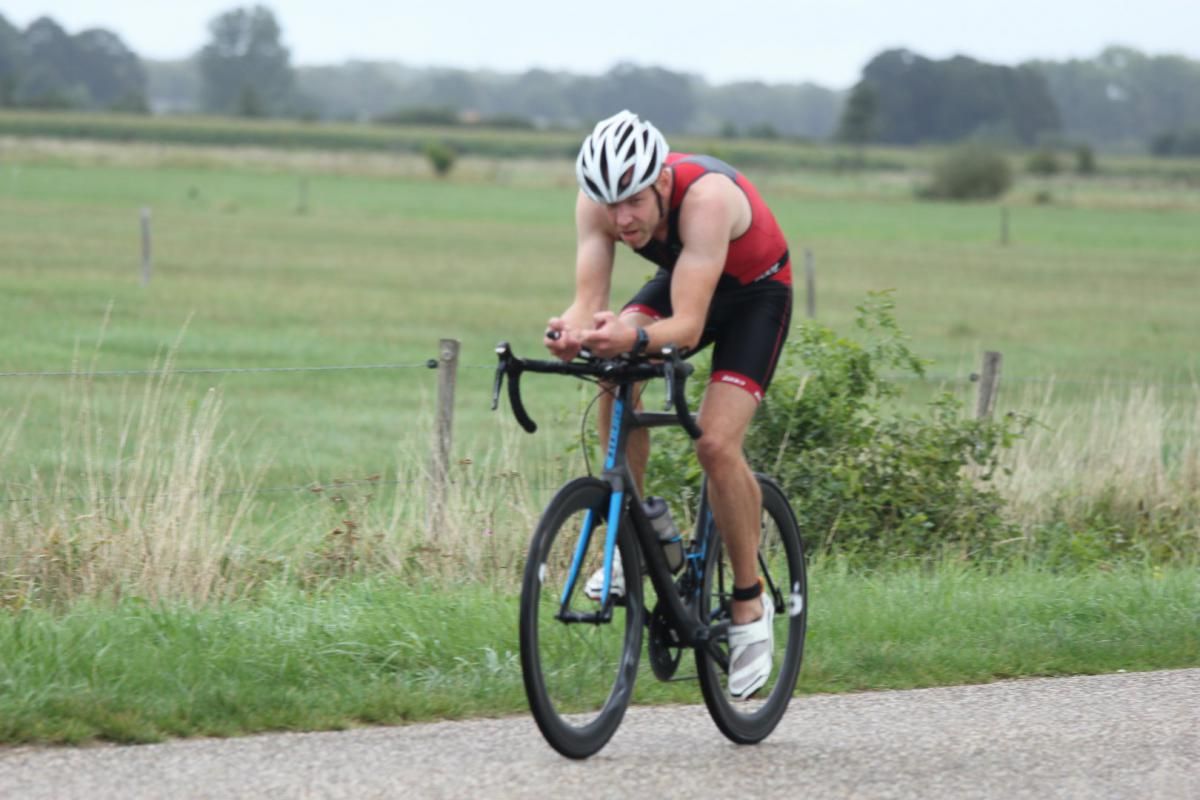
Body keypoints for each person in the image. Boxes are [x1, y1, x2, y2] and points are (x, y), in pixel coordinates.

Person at [544, 109, 793, 699]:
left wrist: (626, 336)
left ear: (659, 181)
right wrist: (570, 333)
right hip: (687, 282)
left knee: (714, 441)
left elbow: (685, 326)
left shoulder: (706, 199)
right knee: (614, 367)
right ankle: (637, 534)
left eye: (632, 200)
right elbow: (589, 303)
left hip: (754, 296)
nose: (621, 218)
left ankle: (749, 603)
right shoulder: (597, 205)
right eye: (610, 204)